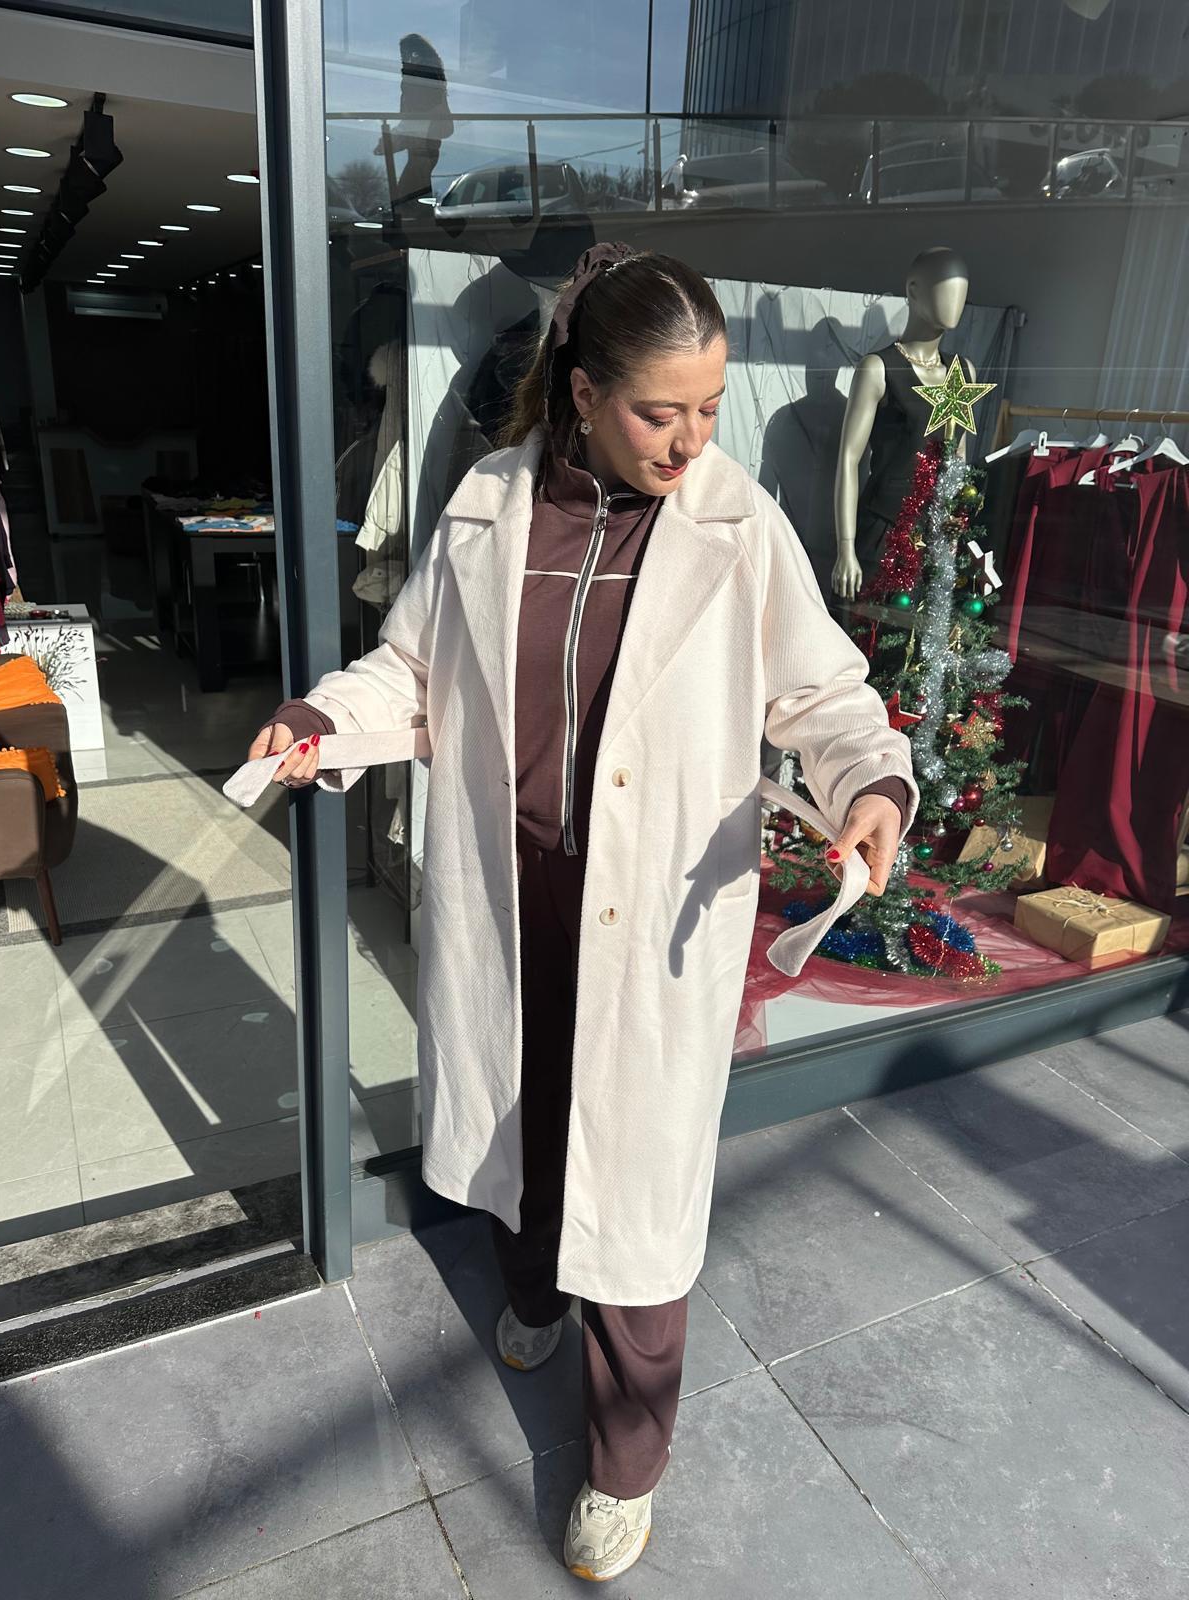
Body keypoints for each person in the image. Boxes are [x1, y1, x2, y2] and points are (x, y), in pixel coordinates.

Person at [247, 243, 917, 1583]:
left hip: (653, 903)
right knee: (524, 1114)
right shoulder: (489, 505)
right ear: (584, 390)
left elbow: (824, 694)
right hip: (514, 884)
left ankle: (625, 1464)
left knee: (640, 1187)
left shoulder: (736, 523)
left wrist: (871, 785)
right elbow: (414, 669)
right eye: (661, 412)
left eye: (709, 408)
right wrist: (323, 717)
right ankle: (533, 1290)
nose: (692, 440)